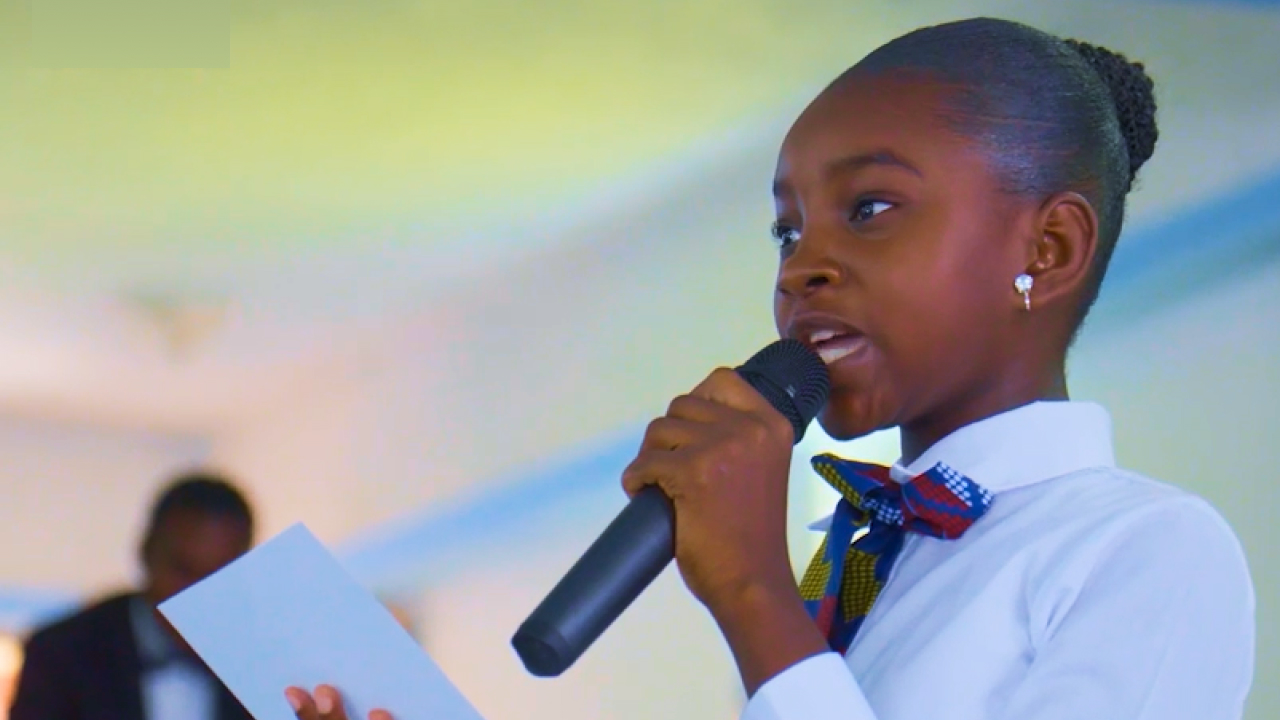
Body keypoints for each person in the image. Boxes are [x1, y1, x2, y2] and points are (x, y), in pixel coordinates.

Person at [284, 16, 1256, 720]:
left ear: (1046, 250)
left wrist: (752, 593)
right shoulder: (862, 557)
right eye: (786, 231)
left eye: (868, 207)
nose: (803, 266)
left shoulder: (1149, 553)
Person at [10, 472, 256, 720]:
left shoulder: (263, 663)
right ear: (146, 551)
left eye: (219, 577)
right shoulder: (60, 654)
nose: (198, 595)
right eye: (183, 571)